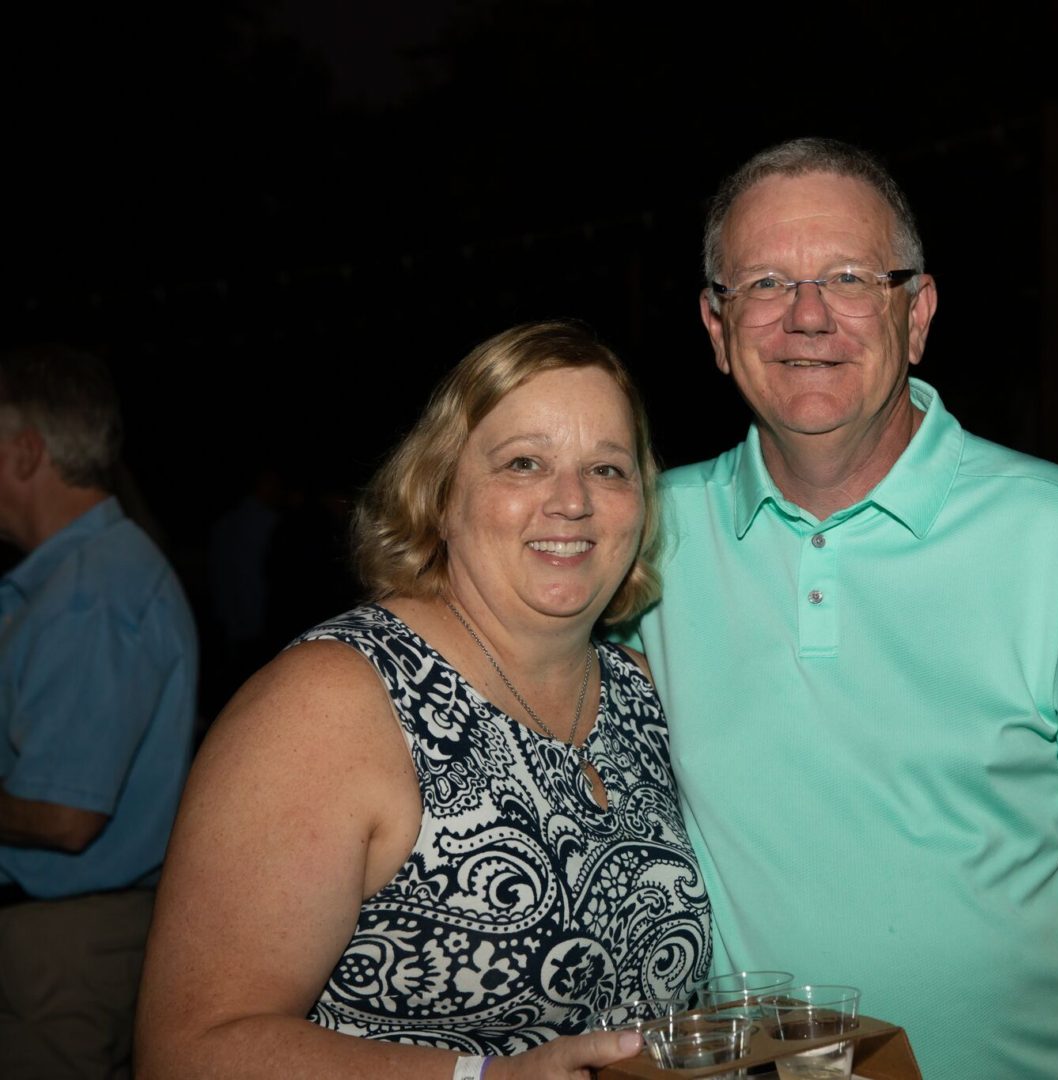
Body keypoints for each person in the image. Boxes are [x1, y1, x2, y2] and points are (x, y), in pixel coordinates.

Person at [624, 138, 1058, 1078]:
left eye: (850, 278)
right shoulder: (647, 537)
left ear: (917, 314)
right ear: (716, 325)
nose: (808, 315)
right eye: (766, 284)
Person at [136, 323, 710, 1078]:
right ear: (440, 495)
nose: (572, 501)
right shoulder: (333, 702)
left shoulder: (647, 694)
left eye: (607, 469)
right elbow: (188, 1050)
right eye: (524, 463)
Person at [0, 345, 199, 1078]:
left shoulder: (92, 595)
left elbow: (64, 816)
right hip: (68, 934)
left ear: (26, 453)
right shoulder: (77, 579)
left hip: (66, 943)